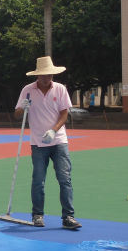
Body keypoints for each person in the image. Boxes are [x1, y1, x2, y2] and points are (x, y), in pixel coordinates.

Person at [14, 56, 81, 230]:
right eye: (44, 75)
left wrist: (53, 130)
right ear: (38, 75)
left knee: (65, 179)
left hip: (58, 141)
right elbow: (17, 115)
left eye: (50, 74)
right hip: (37, 143)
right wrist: (23, 107)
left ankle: (68, 217)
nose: (47, 78)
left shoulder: (60, 89)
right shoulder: (27, 90)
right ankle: (38, 215)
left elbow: (64, 114)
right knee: (38, 180)